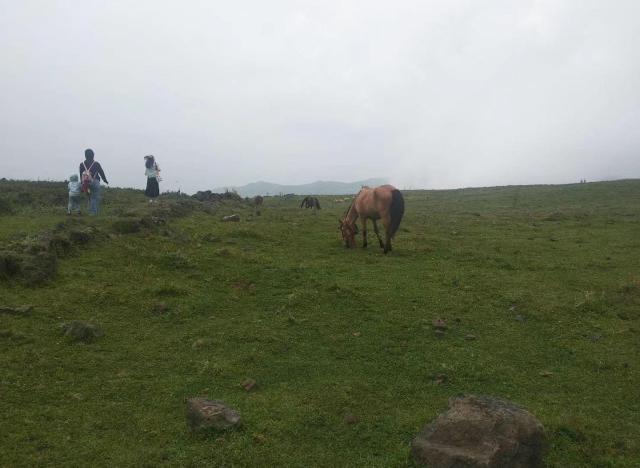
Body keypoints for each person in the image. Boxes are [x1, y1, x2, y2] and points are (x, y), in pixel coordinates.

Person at [79, 148, 109, 215]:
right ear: (93, 155)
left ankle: (91, 211)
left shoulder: (81, 164)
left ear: (85, 155)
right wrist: (105, 180)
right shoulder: (96, 164)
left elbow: (81, 175)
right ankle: (93, 213)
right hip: (94, 183)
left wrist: (82, 185)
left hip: (86, 184)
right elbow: (101, 172)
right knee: (95, 197)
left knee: (90, 197)